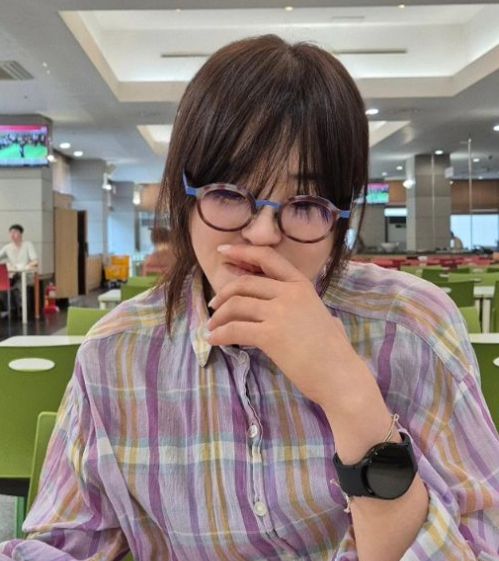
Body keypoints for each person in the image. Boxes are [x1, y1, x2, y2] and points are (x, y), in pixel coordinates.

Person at [1, 35, 498, 561]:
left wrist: (350, 395)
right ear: (183, 197)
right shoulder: (115, 354)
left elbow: (480, 544)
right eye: (227, 194)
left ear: (340, 219)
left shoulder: (413, 328)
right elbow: (61, 544)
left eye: (305, 204)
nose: (262, 234)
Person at [0, 224, 37, 315]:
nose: (12, 235)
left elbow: (35, 261)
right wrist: (8, 265)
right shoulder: (7, 247)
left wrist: (25, 266)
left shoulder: (28, 245)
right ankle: (10, 310)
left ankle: (22, 310)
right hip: (13, 275)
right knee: (4, 285)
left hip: (26, 275)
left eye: (15, 232)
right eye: (11, 233)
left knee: (19, 285)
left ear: (20, 234)